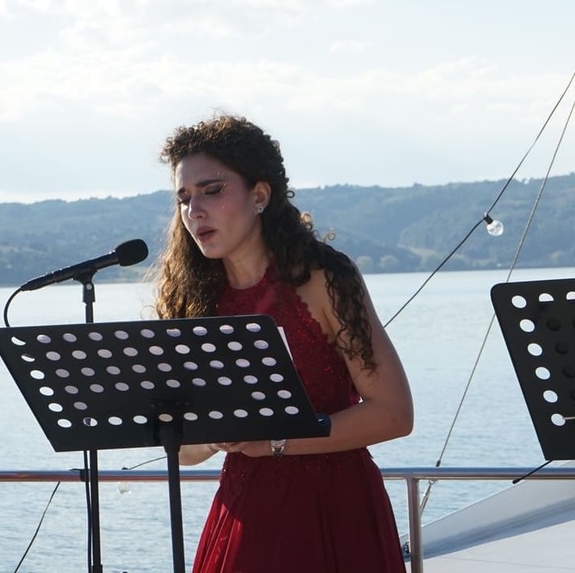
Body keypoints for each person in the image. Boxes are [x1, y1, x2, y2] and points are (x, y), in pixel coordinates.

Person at [154, 114, 413, 573]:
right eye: (184, 197)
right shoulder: (191, 301)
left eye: (212, 190)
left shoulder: (324, 279)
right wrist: (215, 437)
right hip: (245, 514)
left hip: (337, 511)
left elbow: (394, 413)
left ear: (260, 195)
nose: (194, 211)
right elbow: (183, 452)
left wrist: (276, 440)